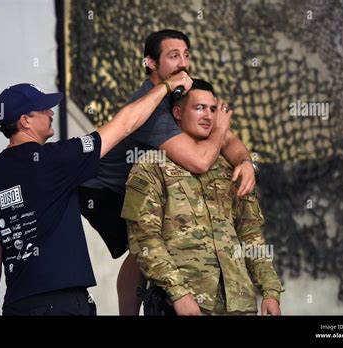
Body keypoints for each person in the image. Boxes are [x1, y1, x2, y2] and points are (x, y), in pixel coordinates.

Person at [0, 74, 192, 315]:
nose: (50, 113)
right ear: (25, 121)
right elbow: (125, 125)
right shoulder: (56, 159)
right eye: (43, 109)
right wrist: (165, 87)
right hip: (64, 305)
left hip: (17, 306)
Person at [79, 29, 258, 315]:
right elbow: (200, 160)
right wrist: (221, 129)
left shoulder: (183, 92)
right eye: (173, 56)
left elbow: (228, 140)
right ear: (151, 63)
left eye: (186, 55)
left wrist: (247, 163)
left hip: (134, 176)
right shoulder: (150, 107)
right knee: (143, 244)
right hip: (102, 188)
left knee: (144, 247)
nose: (183, 63)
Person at [121, 79, 284, 316]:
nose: (208, 116)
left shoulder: (232, 170)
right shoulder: (150, 168)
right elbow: (144, 239)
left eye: (213, 109)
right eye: (199, 108)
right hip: (179, 306)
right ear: (177, 113)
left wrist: (270, 291)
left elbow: (250, 234)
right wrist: (179, 293)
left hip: (238, 306)